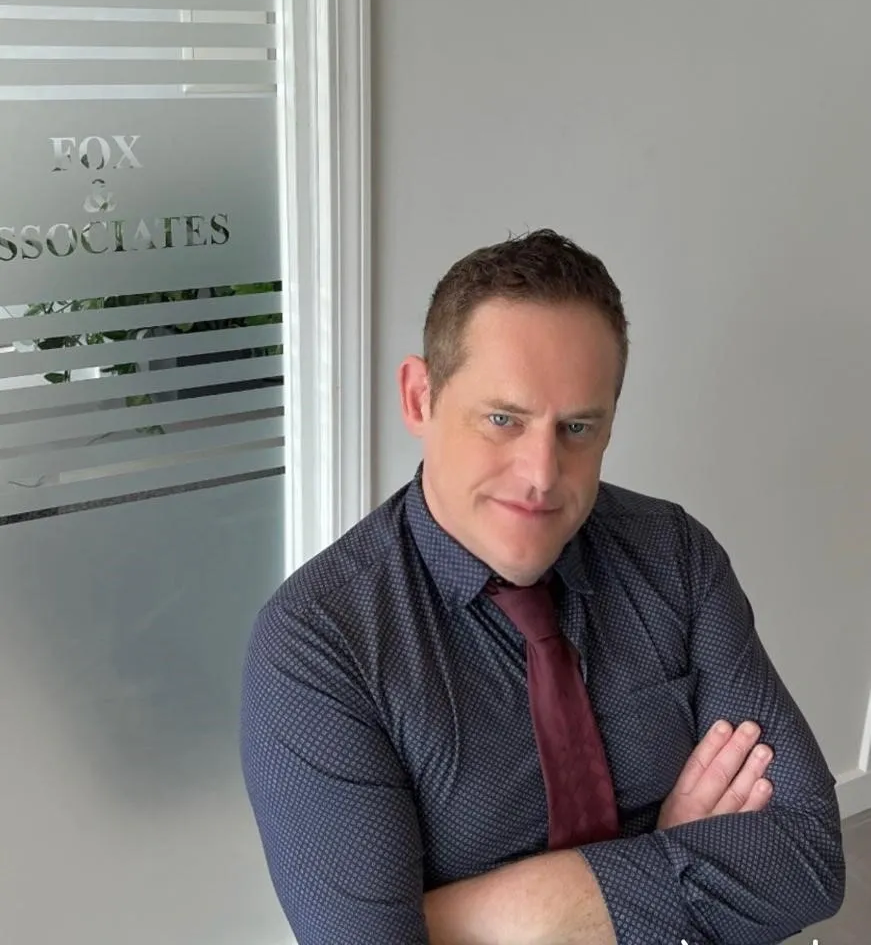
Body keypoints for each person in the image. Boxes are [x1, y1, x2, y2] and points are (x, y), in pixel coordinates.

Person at [240, 229, 845, 945]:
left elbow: (808, 857)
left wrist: (496, 916)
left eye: (577, 428)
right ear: (418, 398)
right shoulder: (319, 644)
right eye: (503, 419)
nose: (540, 474)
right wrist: (670, 855)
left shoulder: (673, 554)